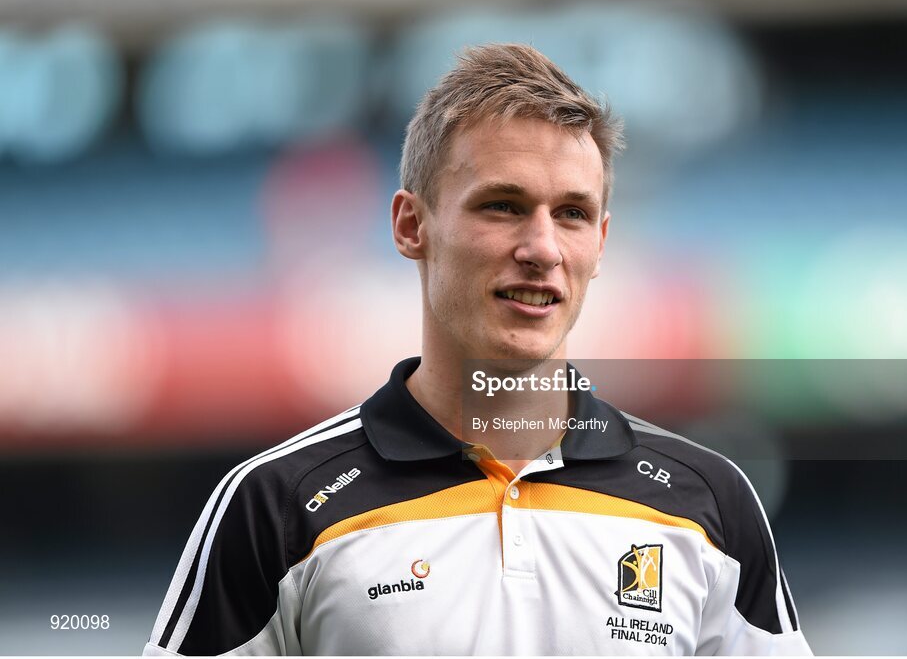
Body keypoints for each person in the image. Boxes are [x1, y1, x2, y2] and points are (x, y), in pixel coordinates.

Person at [144, 43, 812, 656]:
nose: (543, 249)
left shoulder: (711, 504)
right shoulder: (275, 505)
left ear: (601, 243)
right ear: (412, 225)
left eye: (573, 214)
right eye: (502, 206)